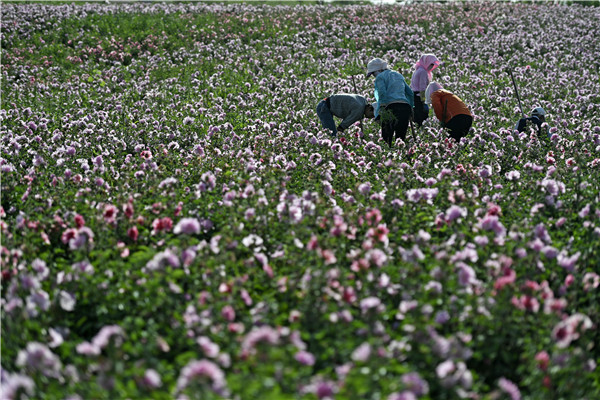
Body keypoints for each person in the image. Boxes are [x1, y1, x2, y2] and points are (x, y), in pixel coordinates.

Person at [366, 57, 414, 147]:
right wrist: (411, 106)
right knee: (400, 139)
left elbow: (382, 93)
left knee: (386, 138)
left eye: (373, 73)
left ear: (379, 70)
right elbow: (410, 93)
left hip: (391, 107)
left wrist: (382, 108)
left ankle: (388, 159)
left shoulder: (380, 77)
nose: (373, 76)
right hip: (405, 107)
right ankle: (400, 158)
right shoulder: (398, 75)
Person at [410, 54, 441, 127]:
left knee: (416, 117)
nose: (432, 66)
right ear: (426, 62)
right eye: (431, 64)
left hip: (414, 96)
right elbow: (422, 87)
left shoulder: (418, 70)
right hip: (419, 97)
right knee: (421, 118)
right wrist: (424, 101)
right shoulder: (423, 72)